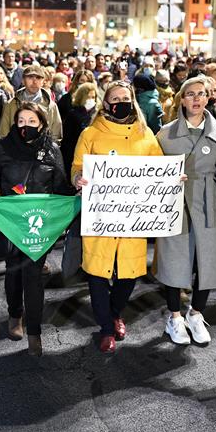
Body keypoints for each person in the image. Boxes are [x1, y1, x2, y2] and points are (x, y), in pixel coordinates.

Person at [156, 76, 216, 345]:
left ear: (209, 98)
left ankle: (195, 314)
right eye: (190, 94)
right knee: (174, 262)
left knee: (208, 263)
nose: (196, 99)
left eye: (201, 94)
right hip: (174, 205)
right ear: (182, 99)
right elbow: (148, 172)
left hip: (209, 203)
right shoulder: (164, 134)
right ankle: (174, 318)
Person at [72, 82, 163, 353]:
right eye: (115, 98)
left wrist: (171, 177)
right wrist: (78, 177)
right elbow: (78, 165)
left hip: (132, 219)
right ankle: (106, 328)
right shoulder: (90, 133)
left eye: (126, 97)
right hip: (100, 216)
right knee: (98, 273)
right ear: (105, 103)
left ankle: (115, 312)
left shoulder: (145, 135)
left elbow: (158, 167)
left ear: (133, 101)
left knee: (128, 274)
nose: (121, 102)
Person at [0, 103, 69, 356]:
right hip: (12, 224)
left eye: (32, 121)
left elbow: (61, 186)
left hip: (38, 227)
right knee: (13, 273)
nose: (25, 126)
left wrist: (78, 190)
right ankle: (14, 315)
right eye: (21, 121)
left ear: (42, 123)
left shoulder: (52, 149)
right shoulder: (3, 147)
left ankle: (34, 332)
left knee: (33, 277)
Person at [0, 64, 62, 141]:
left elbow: (56, 135)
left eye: (38, 78)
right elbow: (3, 134)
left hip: (42, 151)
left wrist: (48, 150)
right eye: (30, 77)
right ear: (23, 81)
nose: (34, 81)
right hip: (16, 151)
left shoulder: (51, 106)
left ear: (43, 81)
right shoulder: (11, 105)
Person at [60, 82, 98, 176]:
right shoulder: (73, 114)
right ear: (81, 97)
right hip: (76, 155)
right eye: (88, 97)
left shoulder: (98, 114)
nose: (91, 100)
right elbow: (67, 140)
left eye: (93, 97)